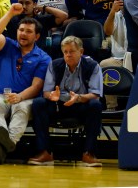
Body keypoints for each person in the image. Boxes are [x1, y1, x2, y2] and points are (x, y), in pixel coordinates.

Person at [0, 3, 52, 164]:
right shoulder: (8, 45)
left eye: (29, 31)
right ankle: (7, 143)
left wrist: (20, 97)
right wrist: (9, 14)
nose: (23, 34)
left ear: (36, 37)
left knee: (21, 108)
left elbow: (37, 86)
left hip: (25, 98)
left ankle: (7, 143)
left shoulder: (43, 58)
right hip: (2, 95)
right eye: (21, 30)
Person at [28, 36, 103, 167]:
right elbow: (46, 92)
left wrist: (79, 98)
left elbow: (96, 94)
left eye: (72, 51)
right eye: (65, 52)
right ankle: (45, 152)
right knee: (39, 103)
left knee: (95, 105)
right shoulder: (55, 64)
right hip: (58, 105)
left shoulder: (93, 66)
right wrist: (51, 96)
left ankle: (89, 153)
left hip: (81, 106)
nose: (68, 55)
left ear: (81, 51)